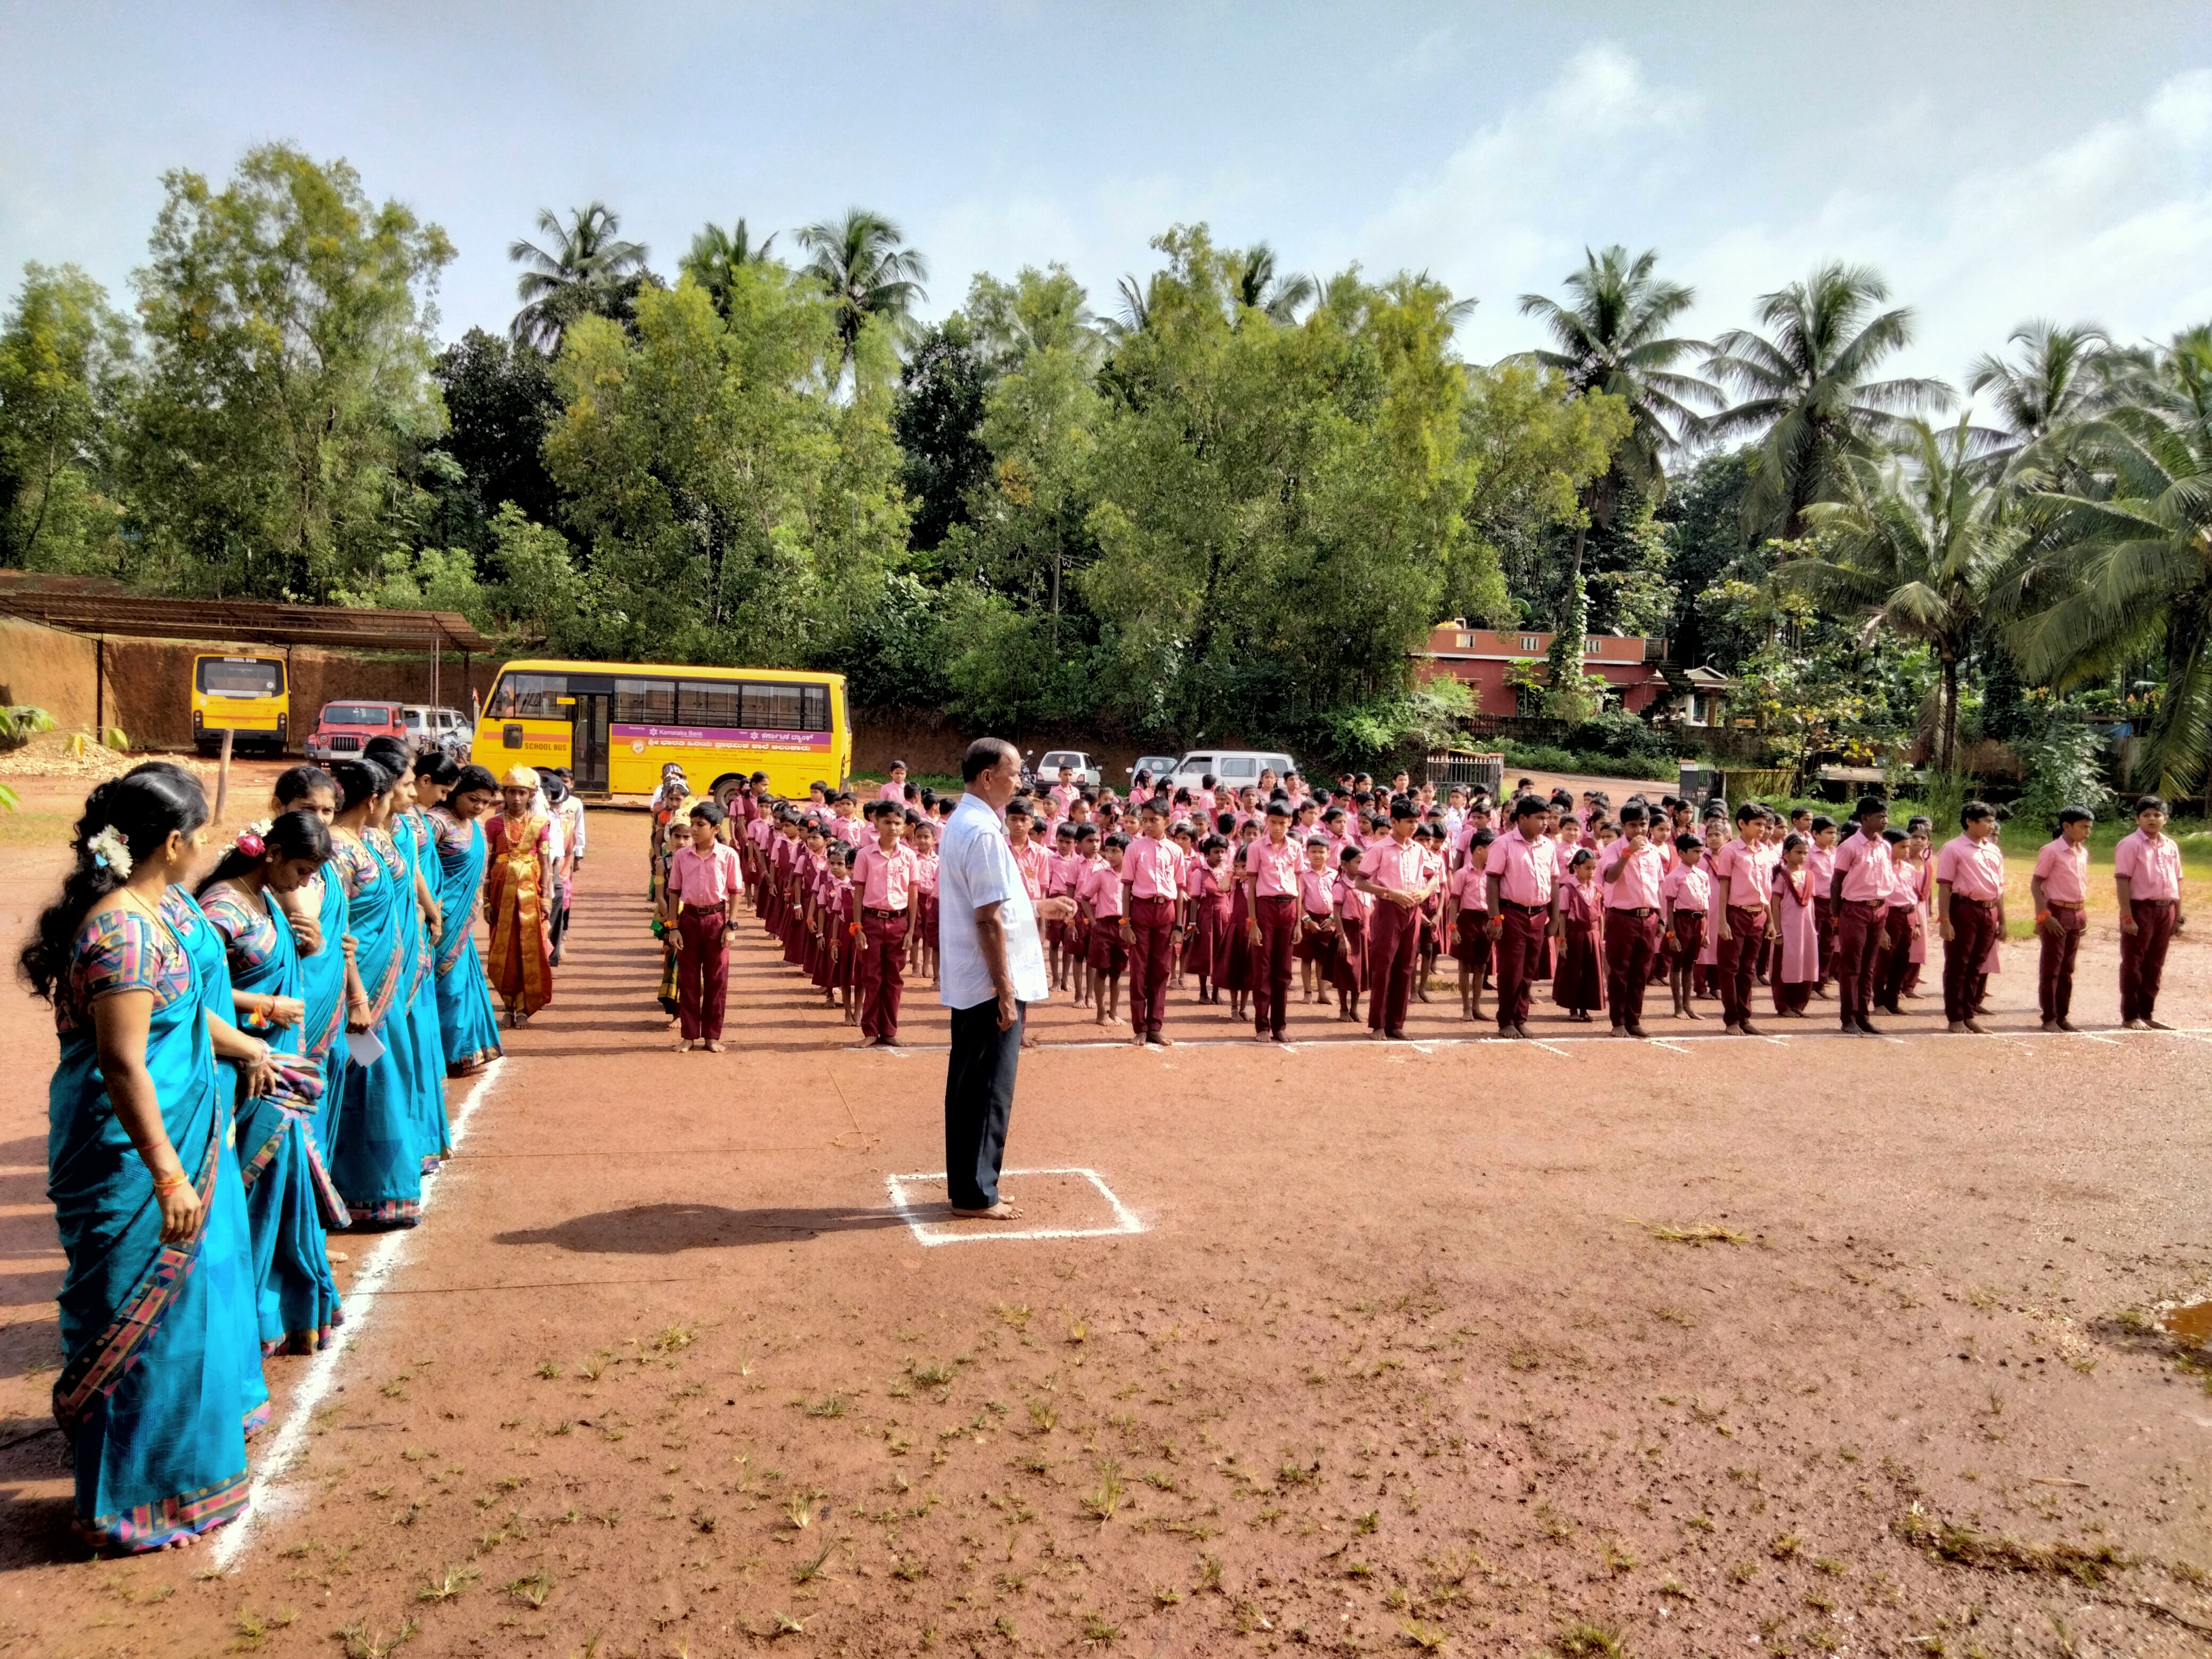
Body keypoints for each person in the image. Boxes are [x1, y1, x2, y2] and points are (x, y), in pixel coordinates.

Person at [23, 768, 275, 1551]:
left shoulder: (166, 910)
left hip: (186, 1131)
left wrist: (249, 1036)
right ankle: (129, 1502)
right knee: (133, 1319)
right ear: (172, 842)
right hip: (129, 1153)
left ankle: (186, 1470)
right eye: (199, 832)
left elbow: (192, 1010)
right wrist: (167, 1171)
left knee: (189, 1311)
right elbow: (124, 1062)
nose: (206, 844)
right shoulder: (119, 933)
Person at [199, 810, 348, 1354]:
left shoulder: (262, 899)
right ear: (273, 852)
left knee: (278, 1198)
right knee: (253, 1202)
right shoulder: (220, 908)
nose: (306, 884)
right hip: (245, 1072)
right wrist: (261, 1004)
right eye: (303, 870)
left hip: (273, 1065)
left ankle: (277, 1311)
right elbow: (192, 994)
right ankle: (247, 1320)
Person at [936, 739, 1075, 1221]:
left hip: (974, 978)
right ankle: (976, 1192)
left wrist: (1040, 907)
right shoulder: (983, 834)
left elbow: (996, 906)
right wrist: (1005, 990)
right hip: (987, 981)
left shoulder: (966, 823)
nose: (1022, 782)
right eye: (1015, 773)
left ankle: (970, 1184)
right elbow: (987, 920)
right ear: (989, 777)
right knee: (989, 1087)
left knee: (971, 1084)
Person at [325, 759, 425, 1227]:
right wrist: (356, 995)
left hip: (381, 983)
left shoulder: (363, 843)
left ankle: (377, 1188)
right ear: (372, 800)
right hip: (360, 988)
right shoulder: (339, 853)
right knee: (364, 1081)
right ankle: (362, 1190)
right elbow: (339, 927)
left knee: (380, 1079)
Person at [428, 765, 504, 1075]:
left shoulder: (475, 826)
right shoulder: (436, 822)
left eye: (485, 802)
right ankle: (446, 1054)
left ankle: (464, 1051)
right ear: (456, 791)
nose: (479, 807)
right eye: (473, 799)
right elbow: (420, 869)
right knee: (448, 990)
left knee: (463, 987)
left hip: (464, 922)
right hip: (441, 919)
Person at [664, 799, 744, 1053]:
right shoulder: (681, 856)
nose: (695, 830)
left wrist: (731, 925)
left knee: (716, 980)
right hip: (688, 919)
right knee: (688, 980)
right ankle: (689, 1035)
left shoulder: (728, 855)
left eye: (701, 825)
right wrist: (673, 927)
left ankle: (712, 1035)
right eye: (693, 824)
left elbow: (735, 891)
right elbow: (674, 891)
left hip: (717, 921)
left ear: (716, 829)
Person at [1356, 799, 1433, 1041]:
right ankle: (1378, 1024)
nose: (1414, 827)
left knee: (1407, 965)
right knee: (1384, 966)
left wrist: (1426, 892)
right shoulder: (1379, 849)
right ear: (1394, 822)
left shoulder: (1419, 850)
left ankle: (1396, 1023)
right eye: (1409, 822)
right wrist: (1390, 893)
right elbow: (1361, 881)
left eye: (1416, 822)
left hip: (1413, 909)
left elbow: (1433, 878)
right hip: (1389, 908)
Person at [484, 766, 556, 1027]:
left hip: (531, 898)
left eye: (522, 793)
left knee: (530, 948)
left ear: (531, 795)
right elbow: (489, 863)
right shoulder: (493, 824)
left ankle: (525, 1006)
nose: (516, 798)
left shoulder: (540, 825)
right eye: (512, 792)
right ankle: (507, 1004)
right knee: (504, 951)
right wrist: (486, 901)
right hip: (501, 896)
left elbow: (547, 864)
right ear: (504, 793)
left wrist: (547, 898)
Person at [1486, 796, 1562, 1040]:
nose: (1545, 823)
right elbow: (1493, 881)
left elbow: (1554, 882)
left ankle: (1521, 1018)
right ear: (1522, 819)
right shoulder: (1503, 844)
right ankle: (1506, 1020)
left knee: (1529, 971)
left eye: (1547, 818)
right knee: (1511, 971)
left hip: (1539, 915)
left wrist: (1555, 918)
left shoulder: (1548, 845)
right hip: (1512, 914)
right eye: (1539, 818)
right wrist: (1494, 918)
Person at [1934, 802, 2006, 1034]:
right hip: (1964, 908)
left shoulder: (1993, 849)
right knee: (1959, 964)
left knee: (1977, 965)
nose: (1991, 826)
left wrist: (2002, 921)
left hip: (1988, 910)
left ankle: (1969, 1014)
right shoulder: (1953, 848)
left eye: (1992, 821)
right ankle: (1955, 1017)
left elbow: (1999, 888)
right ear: (1969, 821)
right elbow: (1945, 887)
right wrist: (1945, 920)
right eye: (1986, 821)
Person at [2114, 794, 2186, 1029]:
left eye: (2157, 815)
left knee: (2155, 964)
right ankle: (2131, 1015)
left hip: (2166, 910)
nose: (2152, 819)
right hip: (2140, 908)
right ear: (2137, 819)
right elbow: (2123, 880)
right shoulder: (2130, 845)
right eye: (2146, 815)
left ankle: (2147, 1013)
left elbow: (2178, 881)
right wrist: (2127, 916)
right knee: (2134, 962)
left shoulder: (2171, 846)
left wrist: (2178, 916)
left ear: (2166, 818)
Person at [852, 803, 920, 1047]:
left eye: (897, 823)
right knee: (872, 977)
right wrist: (857, 928)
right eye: (887, 822)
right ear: (876, 824)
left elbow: (913, 896)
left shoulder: (909, 856)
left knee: (894, 979)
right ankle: (871, 1030)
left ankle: (889, 1031)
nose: (892, 828)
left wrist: (911, 931)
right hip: (871, 922)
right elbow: (858, 893)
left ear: (904, 827)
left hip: (899, 923)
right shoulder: (864, 855)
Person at [1830, 797, 1897, 1035]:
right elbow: (1837, 881)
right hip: (1855, 909)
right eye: (1880, 816)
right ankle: (1848, 1017)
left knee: (1869, 965)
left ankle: (1863, 1015)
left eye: (1886, 816)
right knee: (1852, 966)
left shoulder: (1885, 846)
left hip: (1878, 909)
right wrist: (1836, 915)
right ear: (1866, 818)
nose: (1885, 821)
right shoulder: (1849, 847)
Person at [1120, 798, 1183, 1048]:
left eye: (1153, 820)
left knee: (1161, 970)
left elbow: (1180, 890)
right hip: (1141, 911)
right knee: (1139, 970)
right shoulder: (1135, 849)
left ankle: (1155, 1025)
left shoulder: (1176, 851)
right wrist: (1126, 923)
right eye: (1144, 820)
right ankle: (1140, 1027)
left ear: (1167, 821)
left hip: (1166, 912)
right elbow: (1126, 887)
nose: (1147, 825)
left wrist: (1180, 926)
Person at [1599, 802, 1665, 1038]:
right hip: (1622, 918)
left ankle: (1634, 1019)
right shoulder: (1614, 849)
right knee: (1620, 972)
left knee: (1641, 972)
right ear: (1624, 826)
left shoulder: (1654, 852)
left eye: (1642, 825)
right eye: (1632, 825)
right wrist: (1628, 853)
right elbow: (1610, 876)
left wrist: (1661, 918)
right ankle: (1618, 1021)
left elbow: (1658, 887)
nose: (1638, 830)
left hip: (1648, 917)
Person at [2032, 806, 2094, 1032]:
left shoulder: (2082, 852)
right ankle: (2049, 1017)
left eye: (2090, 827)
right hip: (2055, 912)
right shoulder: (2051, 851)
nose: (2088, 831)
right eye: (2083, 827)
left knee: (2068, 968)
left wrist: (2082, 914)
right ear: (2067, 827)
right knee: (2052, 968)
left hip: (2076, 912)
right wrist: (2044, 915)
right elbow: (2036, 884)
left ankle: (2062, 1015)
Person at [1246, 801, 1303, 1042]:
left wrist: (1299, 922)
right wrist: (1253, 922)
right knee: (1263, 969)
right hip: (1265, 908)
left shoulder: (1296, 848)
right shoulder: (1256, 848)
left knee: (1284, 971)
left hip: (1289, 908)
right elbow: (1251, 888)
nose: (1278, 827)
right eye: (1273, 822)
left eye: (1283, 823)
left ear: (1290, 822)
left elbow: (1299, 886)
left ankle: (1280, 1025)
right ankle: (1262, 1026)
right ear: (1266, 821)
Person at [1768, 833, 1819, 1017]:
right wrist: (1778, 931)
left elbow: (1811, 905)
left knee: (1805, 964)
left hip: (1806, 929)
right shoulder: (1781, 876)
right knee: (1785, 965)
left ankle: (1799, 1004)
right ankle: (1783, 1005)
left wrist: (1813, 929)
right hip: (1788, 928)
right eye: (1798, 852)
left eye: (1805, 853)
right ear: (1787, 854)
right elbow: (1775, 904)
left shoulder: (1810, 876)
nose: (1802, 857)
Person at [1661, 835, 1710, 1021]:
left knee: (1690, 964)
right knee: (1677, 964)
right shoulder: (1675, 877)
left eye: (1701, 851)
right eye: (1695, 852)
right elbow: (1670, 908)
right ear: (1682, 853)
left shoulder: (1703, 875)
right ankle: (1678, 1006)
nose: (1699, 855)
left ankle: (1688, 1005)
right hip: (1682, 921)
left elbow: (1707, 906)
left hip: (1699, 922)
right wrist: (1672, 935)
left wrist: (1706, 933)